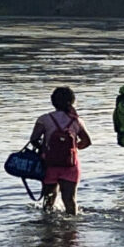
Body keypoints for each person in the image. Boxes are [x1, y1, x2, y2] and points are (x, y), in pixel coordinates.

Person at [29, 86, 92, 214]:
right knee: (70, 200)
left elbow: (34, 139)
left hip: (49, 164)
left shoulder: (44, 119)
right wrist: (73, 148)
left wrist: (45, 149)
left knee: (48, 201)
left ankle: (48, 228)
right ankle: (72, 228)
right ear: (72, 101)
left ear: (53, 102)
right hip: (70, 165)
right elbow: (87, 142)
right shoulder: (76, 120)